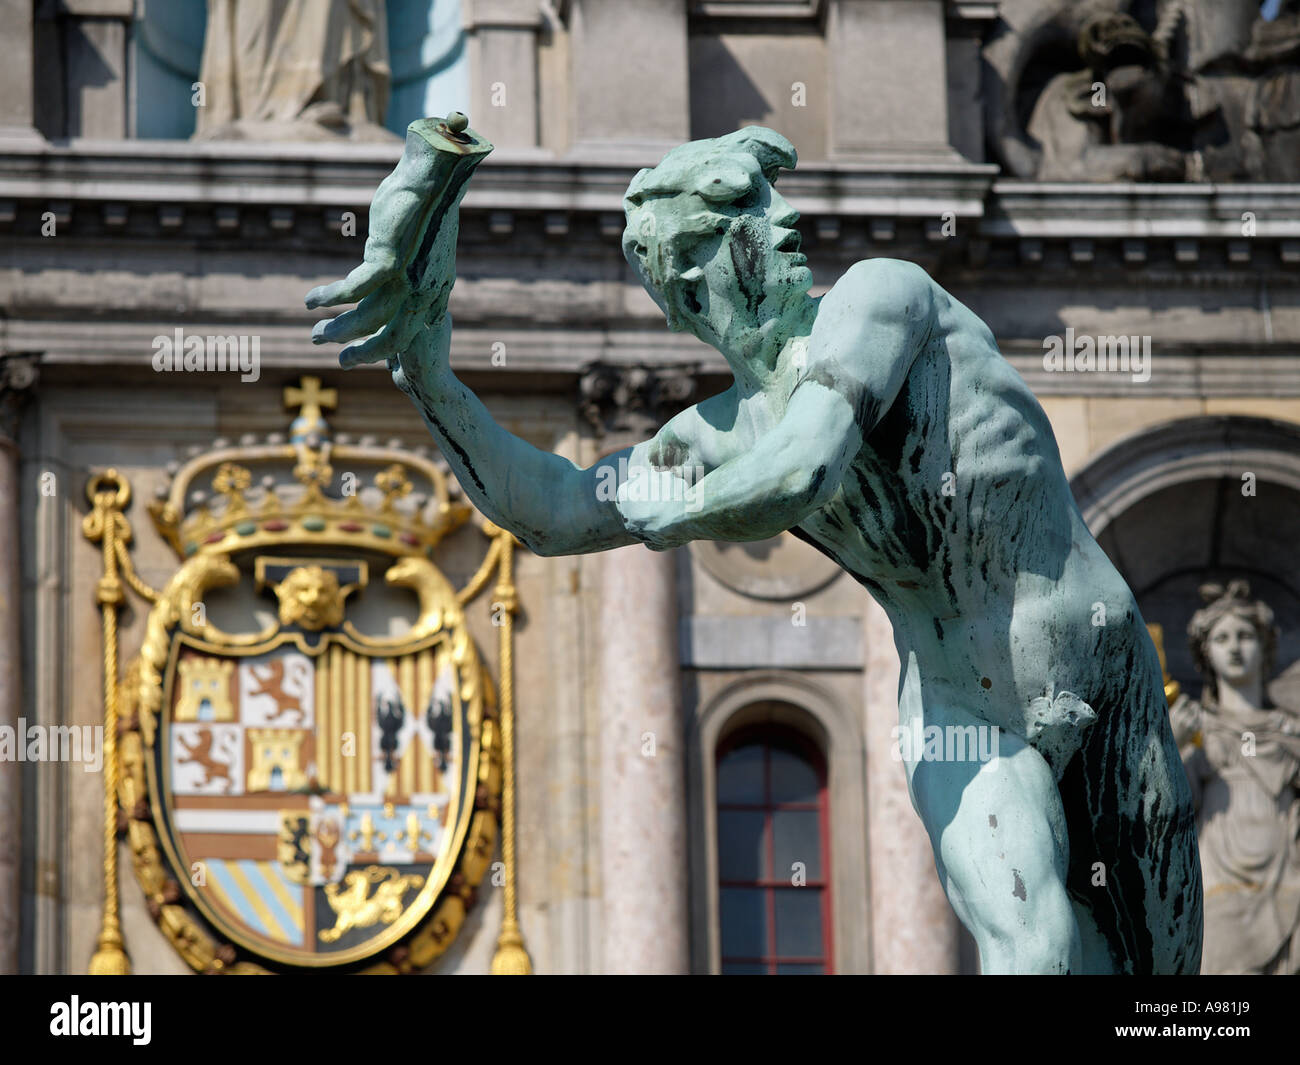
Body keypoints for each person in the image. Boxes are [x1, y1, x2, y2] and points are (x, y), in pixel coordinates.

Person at [307, 123, 1202, 973]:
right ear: (690, 282)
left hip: (1095, 663)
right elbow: (550, 509)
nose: (786, 224)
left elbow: (800, 470)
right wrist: (425, 370)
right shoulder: (717, 434)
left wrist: (666, 513)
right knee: (1034, 945)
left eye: (776, 206)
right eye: (750, 216)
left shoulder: (879, 298)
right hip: (959, 709)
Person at [1172, 580, 1300, 974]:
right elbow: (1166, 815)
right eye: (1222, 637)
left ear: (1264, 647)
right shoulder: (1196, 729)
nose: (1234, 646)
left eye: (1245, 635)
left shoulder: (1289, 731)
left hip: (1290, 886)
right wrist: (1173, 750)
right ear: (1205, 653)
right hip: (1220, 894)